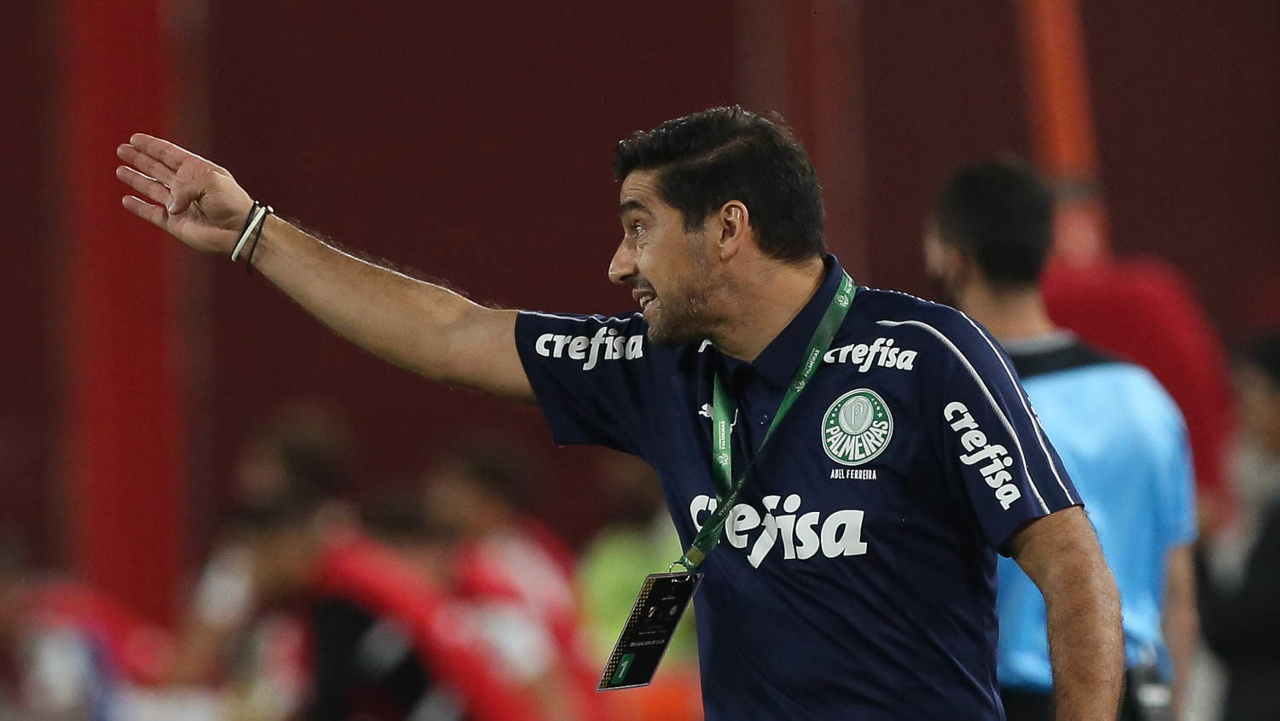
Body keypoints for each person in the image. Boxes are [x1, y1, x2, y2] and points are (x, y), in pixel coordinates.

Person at [116, 106, 1122, 718]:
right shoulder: (656, 368)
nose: (616, 264)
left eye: (639, 229)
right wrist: (255, 232)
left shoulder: (926, 356)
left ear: (728, 228)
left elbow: (1071, 563)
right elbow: (452, 332)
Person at [923, 157, 1198, 719]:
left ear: (952, 258)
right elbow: (1178, 594)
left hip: (999, 698)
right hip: (1132, 694)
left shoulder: (946, 406)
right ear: (1047, 250)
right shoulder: (1144, 397)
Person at [1197, 333, 1280, 720]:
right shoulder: (1257, 489)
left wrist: (1200, 548)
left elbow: (1236, 627)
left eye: (1251, 392)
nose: (1242, 410)